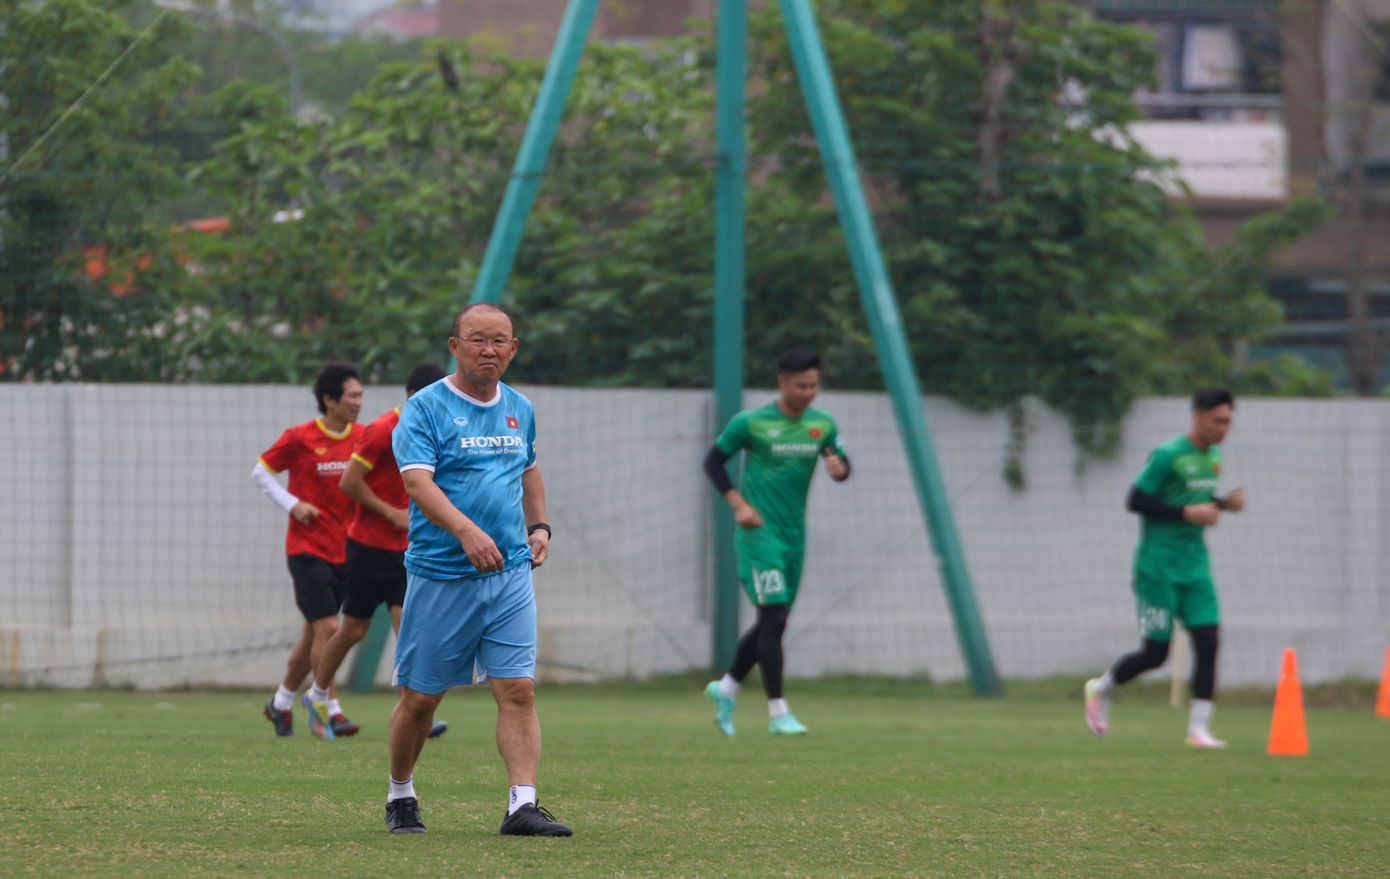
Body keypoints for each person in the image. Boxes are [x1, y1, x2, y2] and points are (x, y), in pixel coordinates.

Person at [383, 303, 571, 837]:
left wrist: (539, 528)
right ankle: (401, 794)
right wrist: (466, 532)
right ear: (454, 346)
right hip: (441, 575)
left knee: (519, 691)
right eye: (477, 340)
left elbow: (529, 470)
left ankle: (523, 806)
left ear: (513, 348)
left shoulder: (520, 407)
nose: (488, 350)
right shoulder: (424, 408)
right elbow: (418, 483)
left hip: (509, 573)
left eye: (499, 341)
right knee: (420, 700)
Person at [1084, 387, 1244, 748]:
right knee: (1155, 654)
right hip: (1158, 568)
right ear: (1198, 415)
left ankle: (1198, 730)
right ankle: (1101, 688)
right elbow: (1136, 499)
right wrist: (1187, 513)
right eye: (1218, 420)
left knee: (1209, 642)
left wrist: (1223, 504)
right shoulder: (1168, 455)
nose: (1223, 428)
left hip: (1195, 567)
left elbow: (1195, 501)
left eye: (1228, 422)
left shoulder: (1214, 457)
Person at [702, 349, 851, 737]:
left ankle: (726, 688)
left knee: (773, 621)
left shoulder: (822, 426)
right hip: (759, 534)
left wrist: (839, 469)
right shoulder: (751, 423)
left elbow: (842, 465)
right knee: (775, 617)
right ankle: (778, 712)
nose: (808, 392)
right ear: (781, 382)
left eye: (814, 385)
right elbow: (713, 462)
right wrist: (738, 505)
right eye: (801, 385)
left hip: (794, 537)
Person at [301, 363, 451, 741]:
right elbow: (349, 483)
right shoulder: (384, 428)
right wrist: (391, 513)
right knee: (353, 628)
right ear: (419, 396)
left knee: (411, 629)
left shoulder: (435, 428)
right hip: (368, 547)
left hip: (408, 550)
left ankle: (416, 711)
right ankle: (317, 694)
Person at [253, 361, 363, 738]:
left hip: (347, 550)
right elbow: (261, 471)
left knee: (313, 634)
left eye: (360, 395)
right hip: (306, 549)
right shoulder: (299, 437)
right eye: (352, 395)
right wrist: (292, 504)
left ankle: (280, 703)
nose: (359, 402)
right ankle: (329, 709)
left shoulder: (363, 437)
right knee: (331, 628)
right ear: (329, 400)